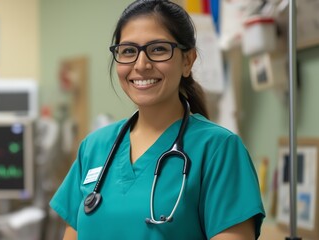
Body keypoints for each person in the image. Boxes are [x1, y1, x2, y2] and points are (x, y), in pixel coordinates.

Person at [50, 1, 265, 239]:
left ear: (187, 61)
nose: (141, 65)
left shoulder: (218, 149)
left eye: (158, 49)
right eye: (129, 51)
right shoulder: (94, 147)